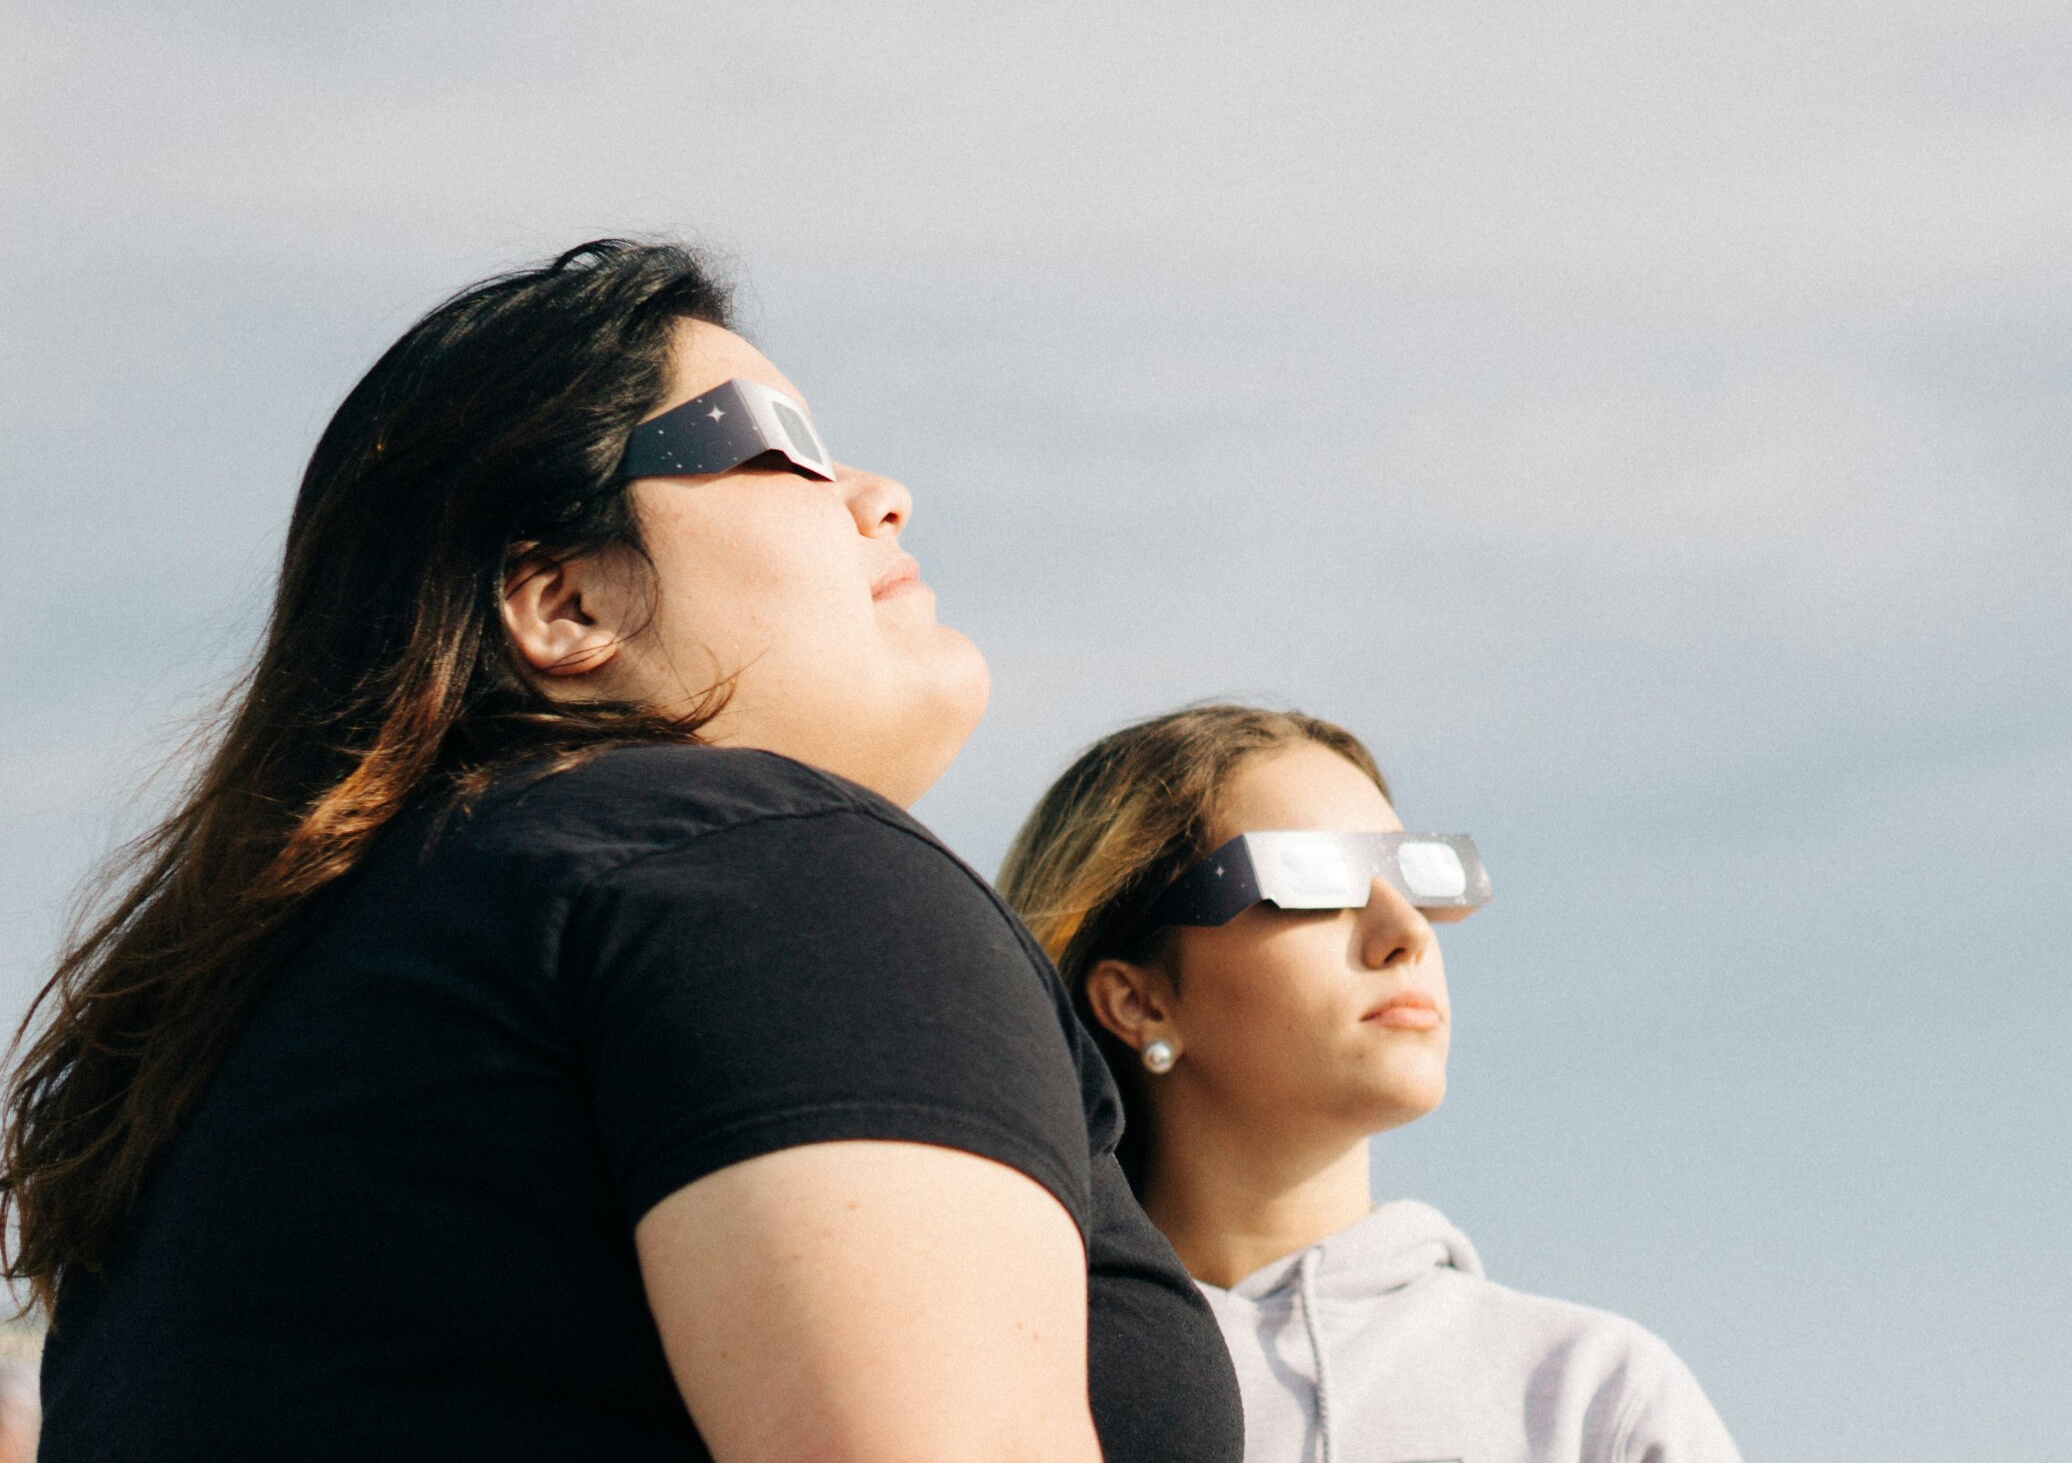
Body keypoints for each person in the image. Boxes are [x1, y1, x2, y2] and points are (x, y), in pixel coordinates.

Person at [4, 242, 1243, 1463]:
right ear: (569, 603)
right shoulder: (755, 864)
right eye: (777, 443)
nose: (881, 494)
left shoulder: (236, 1048)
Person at [999, 704, 1745, 1463]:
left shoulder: (1595, 1402)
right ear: (1139, 1001)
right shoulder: (999, 1379)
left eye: (1416, 878)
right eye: (1314, 878)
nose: (1407, 932)